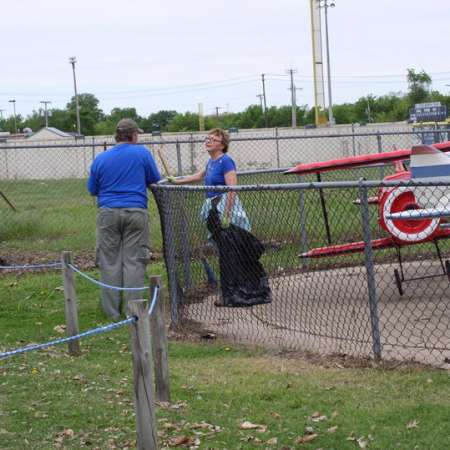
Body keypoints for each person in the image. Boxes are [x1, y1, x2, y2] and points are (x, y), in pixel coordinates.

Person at [87, 118, 161, 319]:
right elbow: (155, 180)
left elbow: (92, 190)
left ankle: (111, 313)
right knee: (134, 262)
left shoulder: (101, 158)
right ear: (133, 135)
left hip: (107, 213)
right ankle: (134, 312)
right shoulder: (142, 153)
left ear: (117, 135)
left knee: (109, 262)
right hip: (136, 212)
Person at [168, 128, 250, 231]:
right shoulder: (211, 161)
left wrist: (227, 215)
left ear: (222, 145)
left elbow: (232, 189)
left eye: (214, 140)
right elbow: (198, 176)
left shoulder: (226, 161)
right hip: (214, 205)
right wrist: (176, 181)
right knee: (218, 238)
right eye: (207, 138)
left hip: (224, 205)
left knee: (232, 238)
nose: (208, 141)